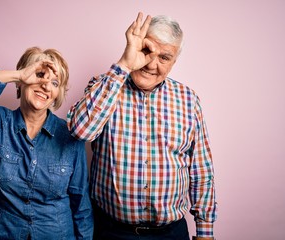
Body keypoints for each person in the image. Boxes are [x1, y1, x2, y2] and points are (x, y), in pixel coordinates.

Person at [67, 12, 217, 240]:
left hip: (171, 233)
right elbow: (80, 131)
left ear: (174, 61)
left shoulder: (189, 100)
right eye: (146, 51)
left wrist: (205, 231)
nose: (151, 64)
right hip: (111, 231)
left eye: (165, 57)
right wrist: (125, 64)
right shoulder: (103, 85)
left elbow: (201, 170)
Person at [0, 47, 93, 240]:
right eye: (39, 75)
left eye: (54, 82)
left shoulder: (71, 135)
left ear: (57, 93)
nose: (45, 86)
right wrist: (18, 74)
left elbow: (81, 203)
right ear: (21, 83)